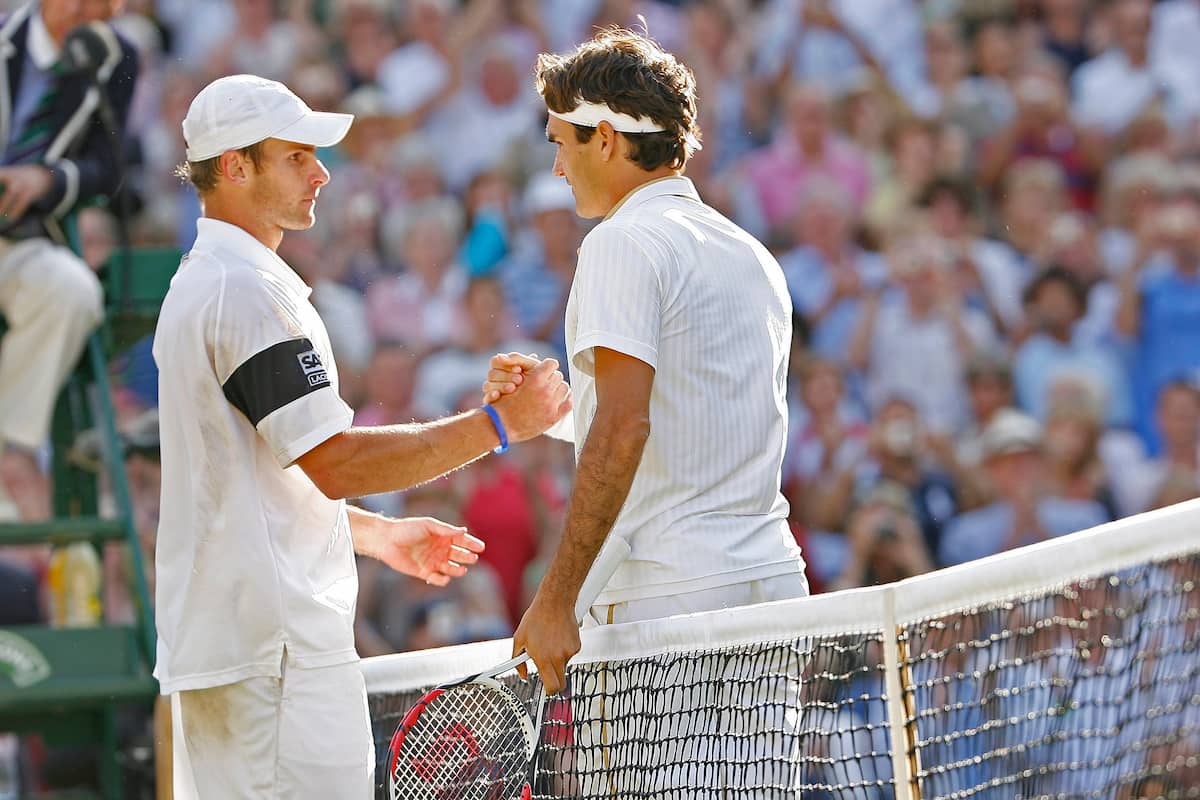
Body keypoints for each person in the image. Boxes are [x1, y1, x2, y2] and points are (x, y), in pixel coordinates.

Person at [155, 74, 571, 799]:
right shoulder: (244, 292)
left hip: (252, 654)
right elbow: (336, 463)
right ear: (235, 167)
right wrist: (501, 424)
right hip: (273, 660)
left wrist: (376, 536)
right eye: (296, 157)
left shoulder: (216, 282)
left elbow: (259, 485)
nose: (321, 173)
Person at [487, 33, 808, 793]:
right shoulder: (750, 253)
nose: (558, 168)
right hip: (770, 587)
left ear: (605, 138)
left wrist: (557, 598)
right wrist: (553, 413)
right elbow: (675, 417)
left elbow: (626, 427)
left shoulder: (620, 243)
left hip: (667, 599)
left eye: (561, 143)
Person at [0, 0, 138, 523]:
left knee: (72, 289)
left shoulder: (115, 55)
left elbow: (108, 167)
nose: (89, 10)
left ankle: (14, 449)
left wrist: (49, 180)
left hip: (26, 236)